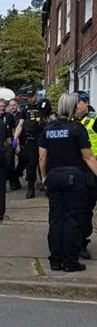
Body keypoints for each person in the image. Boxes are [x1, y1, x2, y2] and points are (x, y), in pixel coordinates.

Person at [39, 93, 97, 272]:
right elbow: (88, 157)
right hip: (75, 178)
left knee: (55, 219)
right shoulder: (77, 129)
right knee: (72, 219)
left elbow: (42, 157)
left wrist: (43, 178)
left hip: (54, 177)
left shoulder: (48, 129)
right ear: (72, 108)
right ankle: (70, 261)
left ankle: (55, 260)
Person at [71, 90, 96, 260]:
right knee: (75, 209)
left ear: (86, 103)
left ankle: (82, 242)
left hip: (92, 169)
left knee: (86, 209)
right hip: (75, 169)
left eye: (78, 102)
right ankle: (77, 242)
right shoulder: (70, 121)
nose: (75, 105)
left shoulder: (94, 120)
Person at [14, 89, 47, 198]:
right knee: (31, 164)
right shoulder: (25, 109)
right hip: (31, 139)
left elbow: (51, 118)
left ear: (36, 95)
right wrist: (16, 137)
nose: (29, 98)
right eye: (28, 96)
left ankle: (45, 184)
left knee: (44, 162)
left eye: (31, 96)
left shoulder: (43, 106)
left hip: (42, 137)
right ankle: (31, 188)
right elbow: (20, 125)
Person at [7, 99, 22, 190]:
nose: (12, 107)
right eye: (11, 105)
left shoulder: (21, 115)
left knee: (23, 160)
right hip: (10, 141)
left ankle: (16, 175)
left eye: (14, 105)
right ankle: (13, 181)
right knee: (10, 163)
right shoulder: (7, 116)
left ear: (17, 106)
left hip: (21, 140)